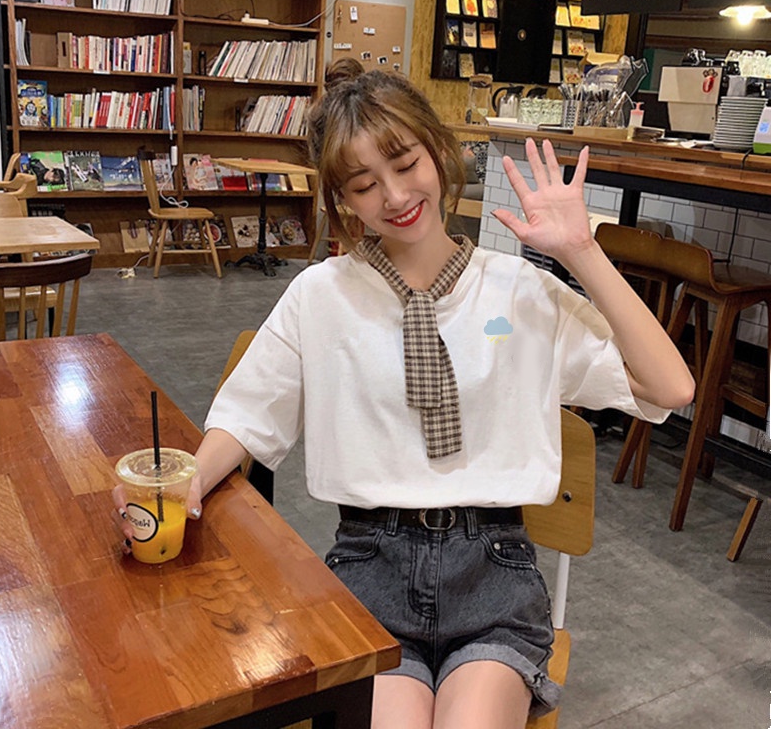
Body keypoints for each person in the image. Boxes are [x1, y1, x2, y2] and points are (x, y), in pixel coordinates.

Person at [113, 67, 693, 729]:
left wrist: (583, 252)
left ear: (438, 150)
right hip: (369, 570)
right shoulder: (321, 295)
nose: (394, 195)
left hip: (493, 574)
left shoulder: (519, 291)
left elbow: (669, 387)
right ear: (342, 200)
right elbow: (248, 415)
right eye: (364, 185)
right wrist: (185, 482)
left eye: (405, 163)